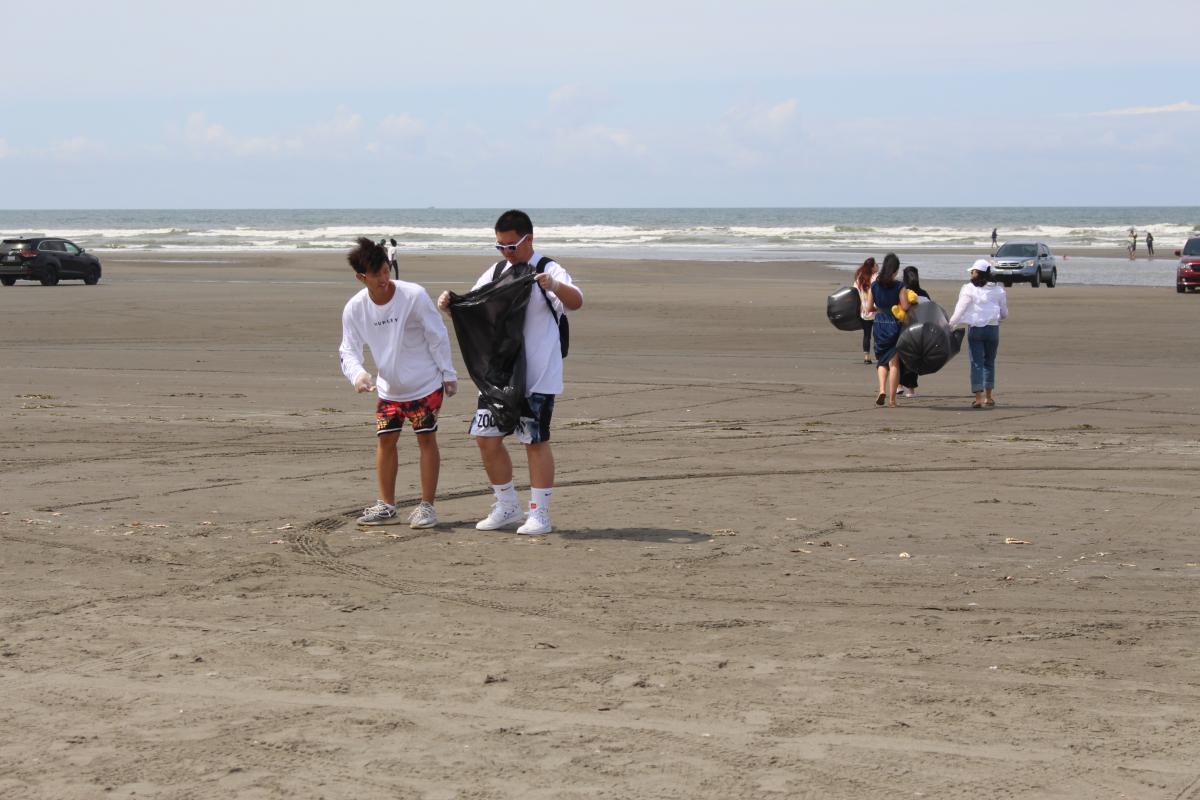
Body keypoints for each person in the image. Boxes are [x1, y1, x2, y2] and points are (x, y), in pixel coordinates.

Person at [437, 210, 583, 535]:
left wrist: (554, 285)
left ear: (528, 239)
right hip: (500, 374)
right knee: (486, 438)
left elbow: (576, 302)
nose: (505, 253)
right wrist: (450, 305)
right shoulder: (499, 270)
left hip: (538, 374)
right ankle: (506, 504)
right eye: (499, 246)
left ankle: (539, 513)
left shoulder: (548, 268)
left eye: (511, 246)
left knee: (534, 440)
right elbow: (476, 305)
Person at [339, 237, 458, 527]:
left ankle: (427, 506)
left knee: (426, 438)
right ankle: (387, 505)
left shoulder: (413, 295)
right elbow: (348, 350)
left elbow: (437, 334)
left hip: (425, 383)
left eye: (385, 270)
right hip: (389, 388)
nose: (383, 278)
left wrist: (448, 373)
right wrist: (358, 375)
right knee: (386, 440)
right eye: (376, 274)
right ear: (360, 277)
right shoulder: (355, 308)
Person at [947, 258, 1008, 409]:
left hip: (976, 329)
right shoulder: (998, 290)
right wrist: (996, 318)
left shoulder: (969, 289)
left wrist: (950, 325)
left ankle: (978, 398)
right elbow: (1004, 313)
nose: (971, 273)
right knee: (989, 361)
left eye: (973, 271)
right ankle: (988, 397)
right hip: (993, 329)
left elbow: (959, 311)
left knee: (976, 363)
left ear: (977, 273)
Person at [862, 252, 911, 408]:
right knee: (894, 363)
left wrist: (880, 308)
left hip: (879, 323)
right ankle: (892, 400)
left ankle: (882, 389)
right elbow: (904, 306)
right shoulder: (899, 286)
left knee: (882, 361)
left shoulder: (874, 285)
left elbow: (869, 308)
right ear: (895, 270)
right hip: (894, 323)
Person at [897, 266, 931, 398]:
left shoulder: (901, 292)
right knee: (913, 359)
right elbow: (930, 310)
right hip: (918, 329)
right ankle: (911, 390)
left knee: (899, 357)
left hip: (902, 328)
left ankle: (898, 386)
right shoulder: (923, 294)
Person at [853, 257, 877, 364]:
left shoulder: (859, 279)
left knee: (867, 335)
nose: (877, 266)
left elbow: (854, 291)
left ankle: (866, 357)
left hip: (864, 311)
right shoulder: (875, 278)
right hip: (875, 310)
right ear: (872, 267)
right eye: (875, 265)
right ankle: (879, 356)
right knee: (877, 334)